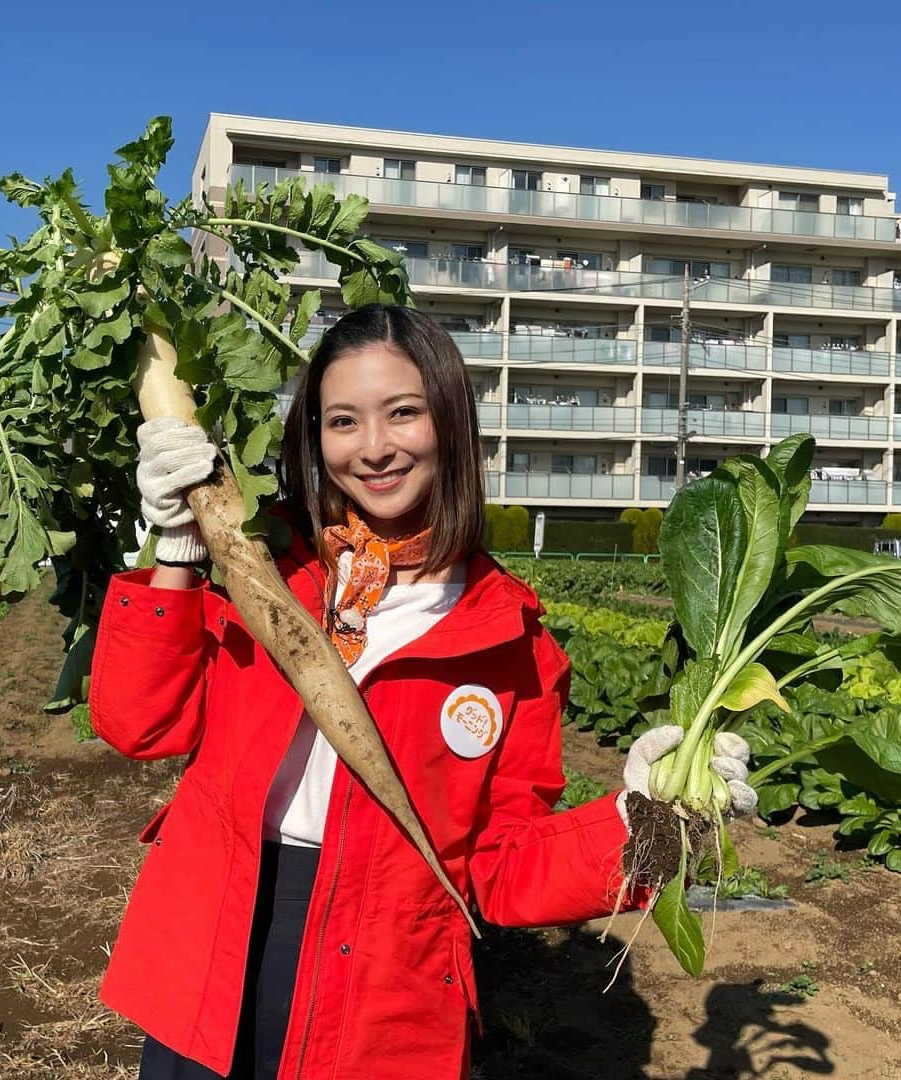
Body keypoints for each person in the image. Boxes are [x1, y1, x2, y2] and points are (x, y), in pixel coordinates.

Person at [88, 304, 756, 1079]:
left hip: (384, 978)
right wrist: (178, 549)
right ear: (315, 438)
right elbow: (141, 725)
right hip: (215, 940)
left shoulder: (512, 639)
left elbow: (501, 867)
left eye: (402, 413)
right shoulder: (265, 567)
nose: (374, 449)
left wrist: (645, 824)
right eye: (343, 421)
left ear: (449, 421)